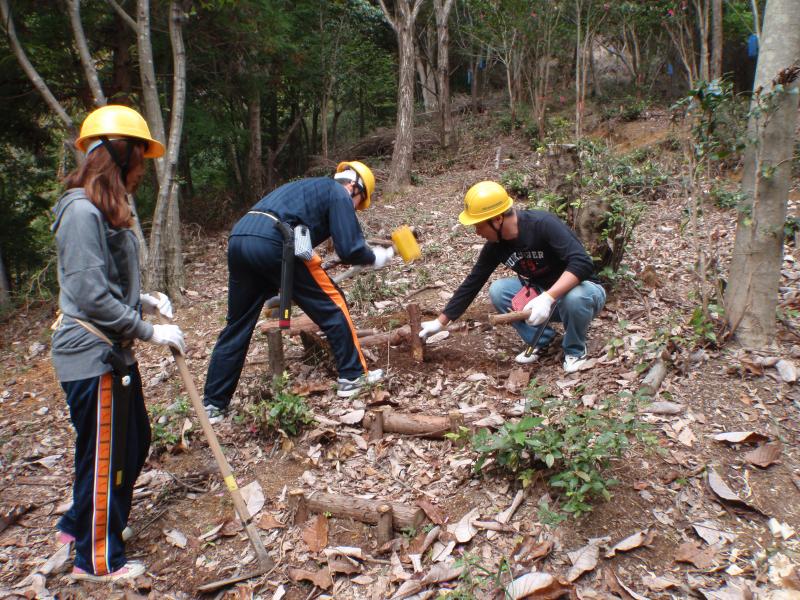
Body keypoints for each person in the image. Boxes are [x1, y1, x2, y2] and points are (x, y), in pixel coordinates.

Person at [51, 105, 186, 582]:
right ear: (117, 152)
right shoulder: (80, 212)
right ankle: (97, 559)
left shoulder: (101, 212)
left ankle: (82, 523)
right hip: (91, 354)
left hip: (112, 351)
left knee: (134, 441)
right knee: (106, 454)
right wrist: (150, 332)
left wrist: (143, 301)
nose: (142, 171)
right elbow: (88, 296)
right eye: (139, 159)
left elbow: (102, 282)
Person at [203, 161, 391, 421]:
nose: (355, 209)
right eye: (358, 203)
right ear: (353, 186)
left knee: (236, 326)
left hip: (240, 238)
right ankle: (353, 376)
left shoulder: (306, 188)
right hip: (275, 240)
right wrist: (374, 257)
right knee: (333, 303)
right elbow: (349, 248)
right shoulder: (338, 193)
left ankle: (213, 405)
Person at [419, 181, 605, 373]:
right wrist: (440, 322)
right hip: (542, 297)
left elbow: (583, 263)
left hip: (584, 292)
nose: (477, 232)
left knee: (575, 298)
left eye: (479, 225)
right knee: (499, 290)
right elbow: (472, 283)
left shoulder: (542, 224)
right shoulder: (495, 247)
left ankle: (575, 349)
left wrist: (548, 297)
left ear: (497, 219)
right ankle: (542, 341)